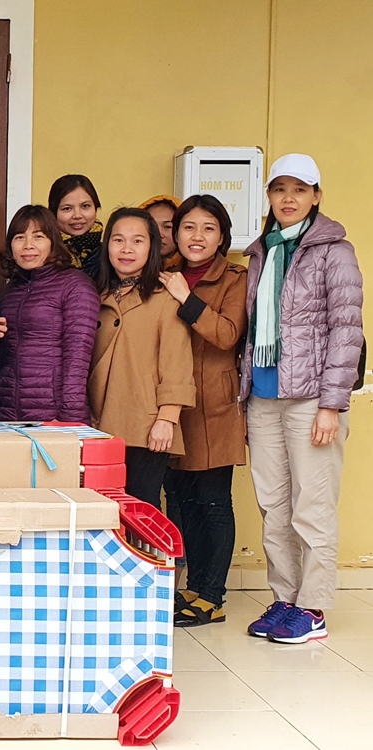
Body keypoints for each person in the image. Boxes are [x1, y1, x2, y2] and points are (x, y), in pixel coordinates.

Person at [241, 154, 363, 644]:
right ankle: (284, 599)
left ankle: (312, 608)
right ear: (269, 196)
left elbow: (346, 330)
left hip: (312, 398)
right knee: (274, 506)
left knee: (311, 505)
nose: (288, 198)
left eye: (299, 189)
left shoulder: (336, 251)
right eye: (279, 189)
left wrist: (332, 404)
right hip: (263, 396)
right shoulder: (261, 251)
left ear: (316, 196)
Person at [159, 195, 247, 627]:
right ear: (176, 233)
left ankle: (213, 595)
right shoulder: (164, 274)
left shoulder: (234, 278)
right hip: (174, 404)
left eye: (209, 228)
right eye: (189, 227)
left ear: (222, 237)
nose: (197, 236)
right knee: (182, 500)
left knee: (212, 501)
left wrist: (186, 298)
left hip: (214, 405)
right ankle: (193, 588)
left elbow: (227, 334)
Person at [88, 207, 195, 507]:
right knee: (102, 510)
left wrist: (167, 418)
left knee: (141, 510)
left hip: (146, 425)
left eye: (137, 241)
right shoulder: (95, 295)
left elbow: (177, 363)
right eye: (118, 240)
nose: (127, 249)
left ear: (152, 247)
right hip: (98, 423)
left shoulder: (166, 297)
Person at [0, 204, 99, 422]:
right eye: (19, 237)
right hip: (7, 414)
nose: (28, 245)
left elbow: (77, 359)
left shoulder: (75, 286)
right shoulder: (12, 289)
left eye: (38, 236)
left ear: (53, 242)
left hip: (54, 416)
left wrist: (70, 419)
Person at [47, 174, 103, 279]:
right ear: (53, 213)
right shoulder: (42, 254)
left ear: (95, 209)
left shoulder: (109, 256)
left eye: (85, 206)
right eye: (67, 208)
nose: (77, 215)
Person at [140, 195, 182, 270]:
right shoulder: (127, 267)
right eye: (152, 226)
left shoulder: (192, 269)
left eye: (167, 227)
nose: (158, 234)